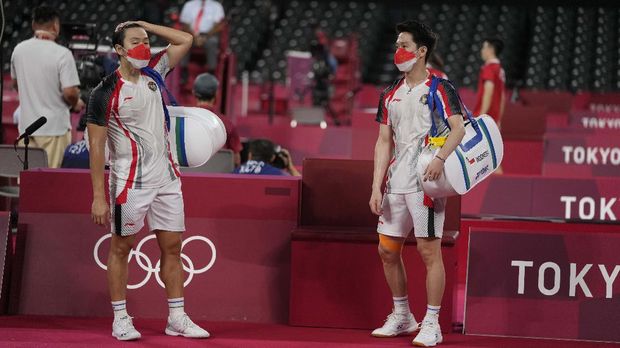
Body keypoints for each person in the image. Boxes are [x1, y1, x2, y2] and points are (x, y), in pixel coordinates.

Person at [86, 21, 210, 341]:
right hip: (130, 182)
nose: (144, 46)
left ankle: (177, 318)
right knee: (121, 248)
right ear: (118, 50)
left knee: (172, 246)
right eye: (135, 41)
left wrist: (143, 24)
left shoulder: (155, 70)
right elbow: (97, 149)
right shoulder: (104, 93)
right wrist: (99, 196)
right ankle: (120, 319)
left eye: (146, 41)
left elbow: (186, 39)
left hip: (167, 177)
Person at [369, 20, 465, 346]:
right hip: (395, 183)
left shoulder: (440, 88)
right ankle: (402, 315)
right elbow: (384, 142)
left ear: (421, 51)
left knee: (428, 252)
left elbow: (458, 128)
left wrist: (439, 160)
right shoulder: (389, 94)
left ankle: (432, 322)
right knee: (387, 250)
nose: (399, 50)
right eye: (397, 44)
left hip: (427, 182)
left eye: (405, 45)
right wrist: (374, 186)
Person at [10, 5, 83, 168]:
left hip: (27, 130)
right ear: (55, 26)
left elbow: (16, 84)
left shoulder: (18, 50)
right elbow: (70, 92)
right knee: (51, 184)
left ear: (33, 24)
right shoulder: (62, 54)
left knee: (29, 182)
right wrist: (76, 103)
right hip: (54, 130)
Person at [193, 73, 242, 166]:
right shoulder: (226, 122)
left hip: (188, 177)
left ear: (193, 92)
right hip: (220, 177)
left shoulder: (183, 119)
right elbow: (236, 160)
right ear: (216, 94)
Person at [180, 0, 225, 73]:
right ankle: (183, 70)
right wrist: (195, 37)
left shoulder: (217, 6)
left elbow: (218, 26)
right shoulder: (189, 5)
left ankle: (211, 71)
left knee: (212, 42)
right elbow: (185, 25)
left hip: (209, 35)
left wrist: (205, 37)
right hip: (191, 34)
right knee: (184, 41)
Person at [473, 37, 506, 126]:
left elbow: (488, 92)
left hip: (486, 119)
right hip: (494, 118)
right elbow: (502, 97)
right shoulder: (500, 69)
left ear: (491, 50)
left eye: (484, 48)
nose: (482, 51)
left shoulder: (489, 68)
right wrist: (499, 119)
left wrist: (481, 117)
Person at [234, 139, 300, 176]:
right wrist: (291, 168)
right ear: (272, 157)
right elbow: (301, 188)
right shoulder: (279, 175)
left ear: (250, 155)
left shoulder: (234, 172)